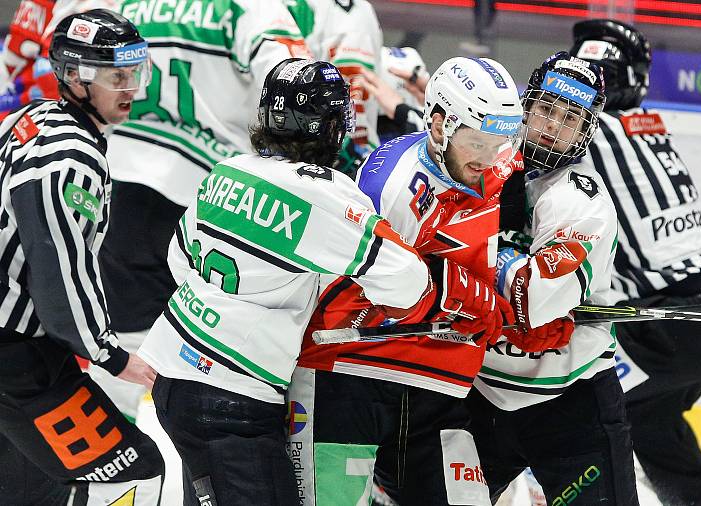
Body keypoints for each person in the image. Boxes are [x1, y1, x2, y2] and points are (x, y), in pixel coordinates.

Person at [137, 57, 440, 506]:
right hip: (234, 396)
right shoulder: (325, 192)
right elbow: (409, 283)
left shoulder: (228, 171)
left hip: (174, 375)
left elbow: (179, 260)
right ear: (332, 126)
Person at [289, 56, 572, 506]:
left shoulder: (483, 160)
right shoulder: (397, 189)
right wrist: (499, 314)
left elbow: (478, 262)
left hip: (437, 390)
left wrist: (522, 306)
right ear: (439, 126)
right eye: (478, 142)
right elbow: (400, 292)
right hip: (346, 377)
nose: (490, 158)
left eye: (501, 142)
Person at [84, 0, 312, 421]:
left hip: (120, 183)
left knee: (124, 350)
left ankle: (114, 472)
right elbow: (297, 82)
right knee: (210, 361)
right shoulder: (250, 7)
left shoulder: (134, 3)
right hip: (212, 198)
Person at [570, 19, 701, 506]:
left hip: (675, 327)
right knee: (650, 421)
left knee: (573, 406)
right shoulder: (646, 125)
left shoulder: (588, 131)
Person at [0, 9, 165, 505]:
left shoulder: (27, 118)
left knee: (30, 484)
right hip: (18, 357)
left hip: (16, 345)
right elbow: (59, 268)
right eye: (119, 76)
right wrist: (108, 353)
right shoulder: (71, 156)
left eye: (136, 72)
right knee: (134, 471)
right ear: (76, 77)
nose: (132, 87)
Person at [468, 51, 639, 505]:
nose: (552, 126)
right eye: (546, 109)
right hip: (479, 394)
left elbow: (533, 301)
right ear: (527, 105)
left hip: (572, 400)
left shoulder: (582, 202)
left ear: (586, 130)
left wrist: (480, 253)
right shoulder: (480, 164)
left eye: (570, 118)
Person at [282, 0, 383, 174]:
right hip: (305, 159)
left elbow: (358, 96)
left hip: (337, 161)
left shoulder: (357, 12)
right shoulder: (300, 7)